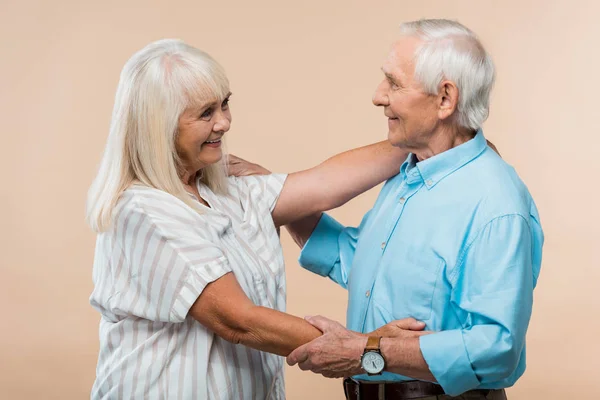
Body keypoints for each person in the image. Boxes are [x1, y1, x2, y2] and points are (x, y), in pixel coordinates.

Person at [85, 38, 427, 399]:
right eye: (206, 114)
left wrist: (439, 137)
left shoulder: (225, 188)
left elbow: (326, 184)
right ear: (161, 126)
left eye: (225, 104)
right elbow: (239, 320)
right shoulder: (145, 211)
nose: (224, 123)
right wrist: (370, 349)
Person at [282, 19, 544, 400]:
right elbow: (367, 268)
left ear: (445, 99)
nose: (377, 96)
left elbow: (496, 349)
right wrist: (270, 192)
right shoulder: (409, 175)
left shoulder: (496, 202)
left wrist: (364, 352)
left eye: (394, 83)